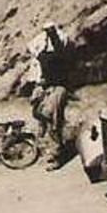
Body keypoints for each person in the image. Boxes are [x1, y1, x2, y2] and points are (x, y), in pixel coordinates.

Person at [31, 23, 76, 169]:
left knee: (53, 119)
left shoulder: (61, 46)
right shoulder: (41, 47)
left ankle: (57, 155)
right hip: (47, 86)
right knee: (40, 113)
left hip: (59, 87)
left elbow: (60, 49)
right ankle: (52, 144)